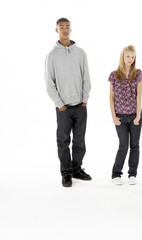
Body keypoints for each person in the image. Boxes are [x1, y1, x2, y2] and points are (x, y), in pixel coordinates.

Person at [45, 18, 92, 187]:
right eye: (61, 27)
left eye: (67, 27)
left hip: (80, 106)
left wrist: (84, 100)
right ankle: (66, 173)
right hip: (63, 108)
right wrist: (60, 105)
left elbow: (86, 78)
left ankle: (76, 169)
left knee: (80, 141)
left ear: (71, 29)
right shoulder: (52, 56)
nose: (65, 30)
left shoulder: (80, 53)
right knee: (63, 141)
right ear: (56, 30)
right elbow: (49, 84)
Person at [108, 45, 142, 186]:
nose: (130, 59)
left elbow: (139, 95)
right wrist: (114, 117)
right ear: (123, 56)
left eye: (133, 57)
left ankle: (132, 174)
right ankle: (116, 174)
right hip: (120, 116)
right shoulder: (114, 75)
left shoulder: (138, 74)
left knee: (135, 145)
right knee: (123, 145)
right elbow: (111, 97)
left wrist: (138, 116)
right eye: (128, 56)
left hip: (135, 115)